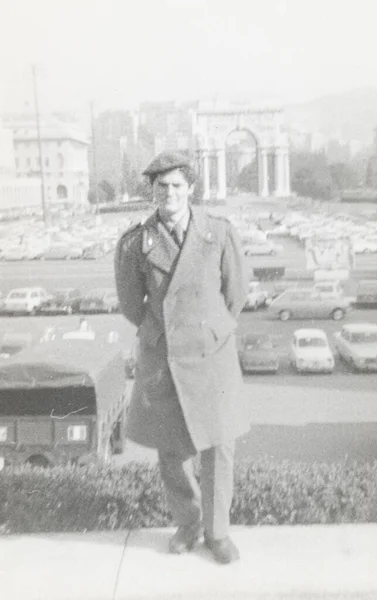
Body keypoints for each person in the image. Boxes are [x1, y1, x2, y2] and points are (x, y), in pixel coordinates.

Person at [114, 150, 249, 564]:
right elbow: (131, 305)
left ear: (190, 188)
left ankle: (218, 533)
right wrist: (163, 334)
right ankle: (188, 525)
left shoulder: (219, 232)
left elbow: (236, 294)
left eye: (176, 185)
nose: (169, 192)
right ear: (151, 191)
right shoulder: (137, 241)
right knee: (171, 450)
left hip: (211, 356)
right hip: (165, 357)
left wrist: (209, 329)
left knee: (218, 446)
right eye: (161, 186)